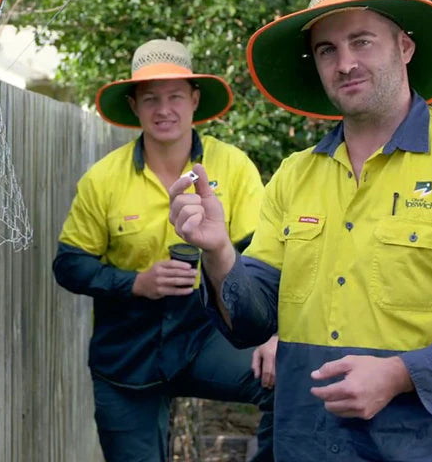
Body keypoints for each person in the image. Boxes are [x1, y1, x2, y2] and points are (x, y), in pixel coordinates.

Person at [169, 0, 432, 461]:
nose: (345, 63)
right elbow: (252, 320)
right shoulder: (293, 177)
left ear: (405, 46)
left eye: (362, 41)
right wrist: (219, 253)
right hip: (305, 443)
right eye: (327, 49)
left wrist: (402, 374)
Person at [53, 38, 275, 462]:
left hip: (208, 332)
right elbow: (68, 265)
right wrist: (135, 282)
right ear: (134, 106)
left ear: (195, 100)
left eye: (175, 96)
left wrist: (276, 332)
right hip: (126, 349)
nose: (164, 109)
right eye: (150, 98)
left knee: (288, 383)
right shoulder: (104, 178)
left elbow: (264, 258)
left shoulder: (234, 166)